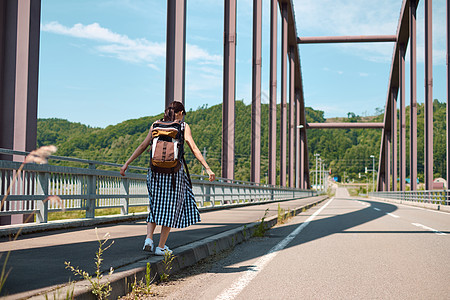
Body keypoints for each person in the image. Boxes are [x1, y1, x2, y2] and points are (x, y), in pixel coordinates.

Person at [120, 101, 215, 255]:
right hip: (173, 174)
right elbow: (194, 147)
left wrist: (126, 164)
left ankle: (149, 239)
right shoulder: (183, 126)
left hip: (155, 173)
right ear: (180, 113)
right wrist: (208, 168)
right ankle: (161, 247)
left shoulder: (155, 125)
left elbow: (143, 146)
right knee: (170, 208)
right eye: (183, 114)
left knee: (155, 205)